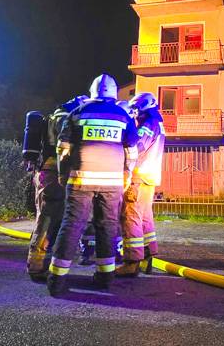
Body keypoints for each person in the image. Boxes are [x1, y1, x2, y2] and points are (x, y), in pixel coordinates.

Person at [47, 73, 138, 297]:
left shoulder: (77, 113)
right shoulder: (123, 115)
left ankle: (57, 279)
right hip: (113, 182)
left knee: (71, 226)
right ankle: (105, 277)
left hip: (80, 180)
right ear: (115, 93)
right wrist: (126, 175)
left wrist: (62, 173)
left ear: (92, 91)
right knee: (107, 227)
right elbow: (132, 152)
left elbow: (62, 148)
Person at [24, 95, 87, 282]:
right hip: (54, 173)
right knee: (49, 219)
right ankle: (37, 265)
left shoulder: (55, 115)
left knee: (46, 217)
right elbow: (64, 147)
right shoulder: (64, 118)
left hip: (45, 172)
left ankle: (40, 262)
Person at [116, 92, 165, 277]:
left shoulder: (148, 123)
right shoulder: (156, 120)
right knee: (145, 218)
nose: (134, 112)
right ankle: (147, 256)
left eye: (136, 108)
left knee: (131, 217)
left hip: (138, 176)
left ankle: (131, 262)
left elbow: (137, 147)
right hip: (149, 177)